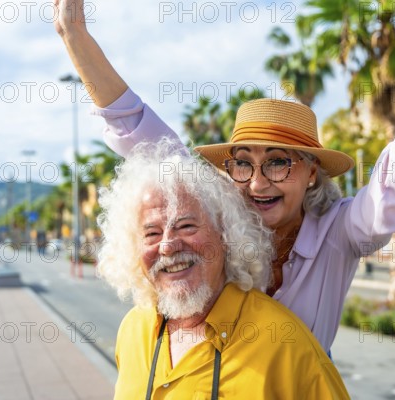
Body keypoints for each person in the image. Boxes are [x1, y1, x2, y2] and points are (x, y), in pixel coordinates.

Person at [54, 0, 395, 353]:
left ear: (312, 172)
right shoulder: (214, 214)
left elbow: (389, 198)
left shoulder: (338, 232)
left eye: (277, 161)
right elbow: (140, 133)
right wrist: (76, 37)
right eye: (242, 162)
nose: (256, 182)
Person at [97, 140, 350, 399]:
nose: (167, 246)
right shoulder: (133, 330)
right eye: (151, 233)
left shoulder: (287, 345)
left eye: (186, 226)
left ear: (225, 234)